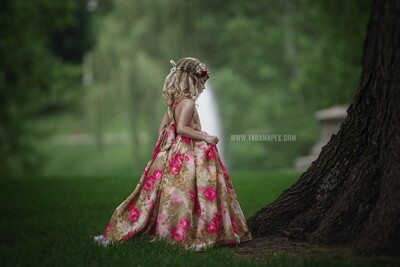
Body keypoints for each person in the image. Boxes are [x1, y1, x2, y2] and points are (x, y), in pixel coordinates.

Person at [93, 57, 252, 251]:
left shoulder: (174, 103)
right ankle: (200, 229)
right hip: (189, 153)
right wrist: (206, 137)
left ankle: (171, 228)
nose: (203, 87)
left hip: (175, 154)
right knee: (197, 189)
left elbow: (163, 129)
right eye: (202, 82)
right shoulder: (189, 104)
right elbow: (182, 129)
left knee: (176, 190)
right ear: (193, 80)